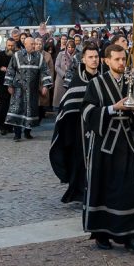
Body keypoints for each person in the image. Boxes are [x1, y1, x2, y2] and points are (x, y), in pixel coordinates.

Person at [81, 44, 134, 252]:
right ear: (107, 61)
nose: (121, 63)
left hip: (127, 145)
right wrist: (114, 108)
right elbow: (87, 112)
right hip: (105, 146)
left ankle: (130, 236)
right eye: (117, 59)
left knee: (128, 190)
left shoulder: (133, 84)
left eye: (123, 59)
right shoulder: (97, 84)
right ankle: (102, 234)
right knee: (104, 188)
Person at [50, 42, 101, 205]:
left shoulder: (104, 79)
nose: (94, 60)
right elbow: (69, 103)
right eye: (90, 57)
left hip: (101, 129)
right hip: (79, 130)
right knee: (81, 161)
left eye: (96, 57)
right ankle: (81, 192)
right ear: (84, 59)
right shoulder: (77, 80)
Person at [4, 36, 52, 141]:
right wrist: (9, 85)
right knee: (17, 110)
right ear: (25, 45)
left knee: (31, 110)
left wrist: (45, 85)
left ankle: (27, 132)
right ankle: (17, 134)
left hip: (32, 89)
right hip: (18, 89)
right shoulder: (17, 56)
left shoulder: (39, 57)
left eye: (35, 44)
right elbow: (10, 70)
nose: (34, 46)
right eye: (32, 44)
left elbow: (45, 70)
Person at [0, 38, 16, 135]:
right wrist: (2, 69)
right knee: (3, 107)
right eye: (9, 45)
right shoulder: (0, 55)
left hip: (14, 84)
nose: (10, 47)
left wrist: (6, 69)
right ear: (6, 45)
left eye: (12, 45)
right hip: (3, 85)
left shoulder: (16, 55)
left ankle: (9, 126)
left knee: (12, 107)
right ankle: (1, 125)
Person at [53, 39, 77, 108]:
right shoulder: (61, 54)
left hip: (72, 79)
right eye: (69, 47)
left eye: (72, 47)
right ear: (66, 47)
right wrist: (64, 74)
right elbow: (56, 66)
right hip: (61, 79)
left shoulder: (76, 55)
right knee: (59, 99)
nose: (70, 49)